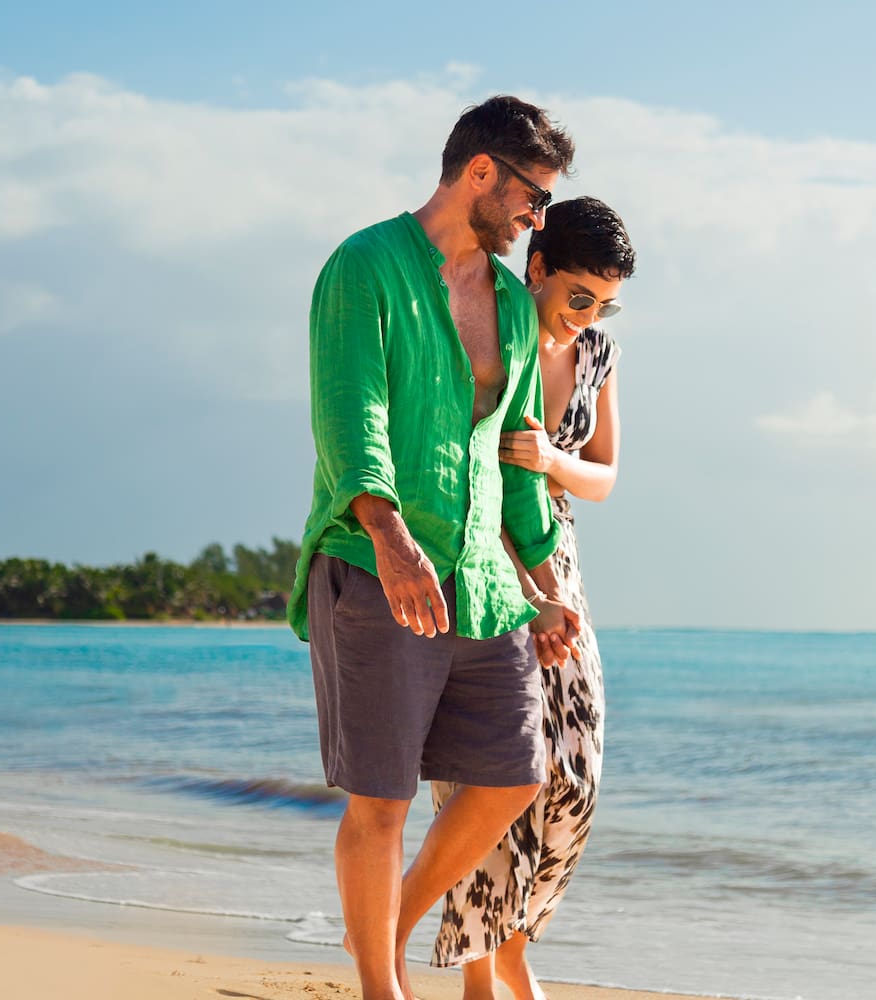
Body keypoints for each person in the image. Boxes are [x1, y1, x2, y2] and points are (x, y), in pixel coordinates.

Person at [288, 95, 584, 1000]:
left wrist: (543, 584)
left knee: (513, 776)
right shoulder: (365, 266)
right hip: (376, 567)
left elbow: (514, 458)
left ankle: (386, 928)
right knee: (381, 799)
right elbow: (352, 416)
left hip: (484, 583)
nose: (538, 219)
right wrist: (390, 536)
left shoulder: (513, 307)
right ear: (481, 172)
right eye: (533, 196)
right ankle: (381, 988)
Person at [430, 196, 634, 1000]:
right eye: (580, 295)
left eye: (605, 304)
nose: (588, 315)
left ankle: (514, 942)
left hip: (560, 558)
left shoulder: (596, 354)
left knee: (575, 775)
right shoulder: (488, 324)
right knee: (488, 768)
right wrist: (520, 588)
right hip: (479, 553)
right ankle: (482, 975)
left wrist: (551, 458)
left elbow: (605, 476)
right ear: (538, 266)